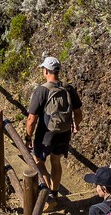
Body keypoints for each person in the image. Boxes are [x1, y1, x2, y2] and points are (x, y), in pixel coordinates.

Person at [25, 55, 82, 201]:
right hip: (64, 132)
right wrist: (76, 125)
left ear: (46, 71)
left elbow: (31, 119)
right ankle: (54, 193)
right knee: (56, 162)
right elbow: (78, 112)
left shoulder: (42, 90)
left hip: (46, 134)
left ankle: (48, 195)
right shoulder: (68, 88)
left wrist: (28, 137)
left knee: (38, 162)